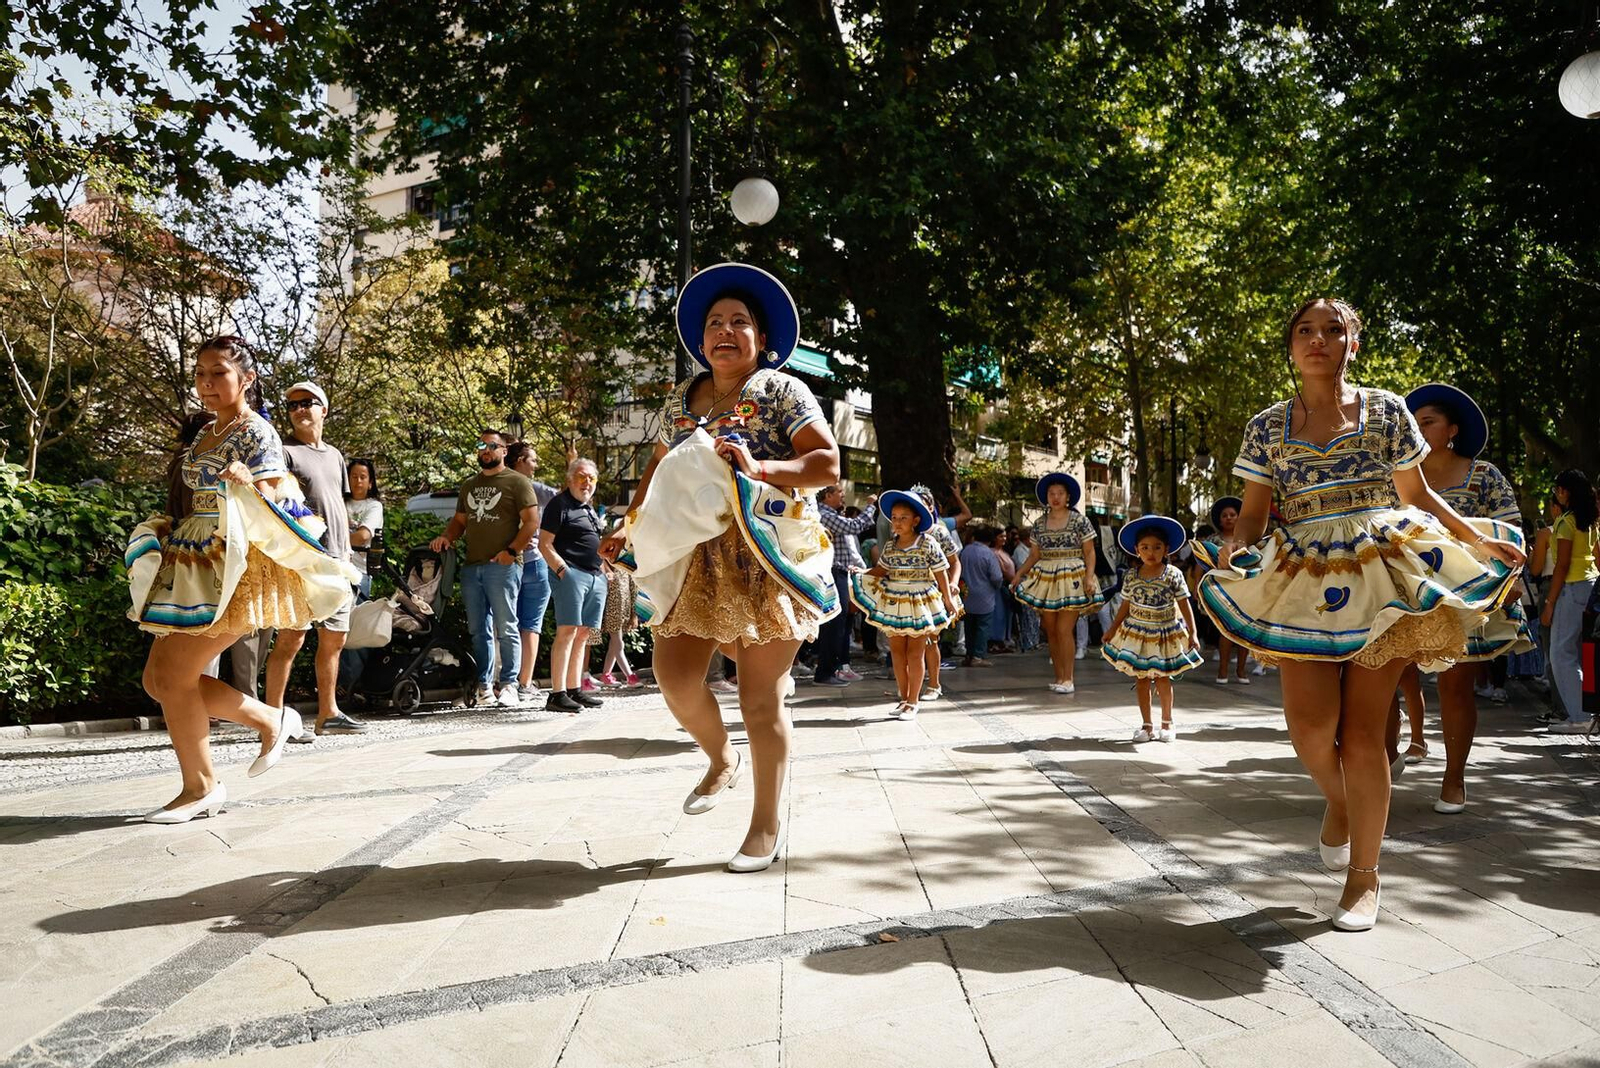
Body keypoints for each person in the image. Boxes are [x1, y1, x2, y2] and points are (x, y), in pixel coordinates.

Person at [1195, 298, 1523, 932]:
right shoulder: (1266, 426)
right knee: (1311, 729)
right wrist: (1240, 544)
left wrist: (1479, 540)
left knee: (1364, 734)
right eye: (1304, 330)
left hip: (1385, 569)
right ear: (1291, 346)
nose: (1318, 339)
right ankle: (1342, 804)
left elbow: (1418, 492)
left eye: (1333, 329)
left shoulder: (1386, 409)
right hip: (1303, 576)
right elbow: (1258, 508)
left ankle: (1363, 877)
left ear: (1353, 343)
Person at [601, 262, 841, 872]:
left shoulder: (784, 392)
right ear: (701, 337)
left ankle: (765, 826)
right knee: (676, 679)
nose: (725, 331)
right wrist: (628, 526)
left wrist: (760, 469)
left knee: (762, 700)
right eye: (714, 322)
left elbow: (827, 465)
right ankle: (719, 759)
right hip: (692, 561)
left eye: (739, 322)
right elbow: (657, 474)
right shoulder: (680, 400)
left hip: (766, 556)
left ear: (762, 338)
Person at [127, 337, 357, 823]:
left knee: (172, 677)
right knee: (158, 679)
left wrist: (250, 482)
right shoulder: (205, 433)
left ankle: (201, 787)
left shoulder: (259, 433)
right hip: (193, 562)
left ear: (246, 378)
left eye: (219, 373)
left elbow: (280, 495)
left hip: (235, 569)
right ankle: (269, 718)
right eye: (201, 374)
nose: (207, 383)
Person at [1405, 383, 1533, 809]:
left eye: (1429, 422)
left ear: (1452, 429)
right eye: (1415, 423)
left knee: (1454, 685)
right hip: (1401, 591)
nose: (1420, 430)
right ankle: (1381, 765)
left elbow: (1510, 530)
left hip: (1462, 596)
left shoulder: (1485, 475)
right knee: (1384, 680)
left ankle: (1454, 779)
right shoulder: (1398, 476)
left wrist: (1511, 576)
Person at [263, 382, 366, 736]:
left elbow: (336, 502)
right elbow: (277, 504)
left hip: (339, 560)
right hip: (305, 561)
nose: (300, 409)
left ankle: (328, 713)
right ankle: (271, 720)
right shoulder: (284, 452)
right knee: (291, 639)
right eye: (292, 405)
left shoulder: (336, 455)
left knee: (334, 639)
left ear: (324, 408)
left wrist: (348, 551)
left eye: (308, 403)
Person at [428, 429, 540, 707]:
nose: (486, 450)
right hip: (472, 567)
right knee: (479, 630)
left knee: (507, 627)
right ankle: (484, 687)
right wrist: (447, 536)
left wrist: (511, 551)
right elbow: (459, 521)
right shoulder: (469, 485)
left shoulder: (517, 482)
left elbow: (531, 522)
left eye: (492, 445)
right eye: (481, 445)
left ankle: (510, 685)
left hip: (503, 567)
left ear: (504, 451)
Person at [852, 492, 957, 719]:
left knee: (915, 653)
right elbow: (882, 571)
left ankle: (913, 701)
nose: (897, 522)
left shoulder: (928, 543)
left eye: (903, 518)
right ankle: (903, 698)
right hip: (895, 600)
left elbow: (941, 573)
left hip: (920, 601)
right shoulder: (890, 546)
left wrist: (948, 600)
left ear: (916, 520)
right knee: (897, 652)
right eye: (894, 517)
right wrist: (863, 572)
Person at [1101, 515, 1202, 742]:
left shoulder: (1173, 574)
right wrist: (1111, 629)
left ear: (1167, 549)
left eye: (1157, 547)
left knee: (1163, 678)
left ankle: (1167, 722)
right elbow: (1124, 607)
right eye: (1145, 547)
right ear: (1136, 550)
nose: (1151, 552)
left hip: (1165, 633)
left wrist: (1193, 633)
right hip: (1137, 634)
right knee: (1142, 678)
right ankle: (1147, 725)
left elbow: (1185, 604)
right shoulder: (1131, 577)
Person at [1013, 472, 1101, 694]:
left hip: (1072, 575)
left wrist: (1089, 576)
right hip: (1047, 576)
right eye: (1052, 493)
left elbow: (1089, 552)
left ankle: (1069, 679)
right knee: (1050, 629)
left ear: (1068, 496)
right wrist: (1019, 574)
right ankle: (1059, 677)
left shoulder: (1080, 520)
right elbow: (1034, 555)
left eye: (1060, 493)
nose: (1056, 497)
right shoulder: (1040, 523)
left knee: (1064, 629)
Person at [539, 458, 609, 713]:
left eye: (591, 478)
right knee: (567, 631)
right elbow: (544, 543)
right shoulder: (559, 505)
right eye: (581, 476)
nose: (586, 482)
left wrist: (603, 572)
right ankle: (557, 694)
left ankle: (574, 689)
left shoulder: (588, 508)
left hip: (595, 575)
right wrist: (562, 571)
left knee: (583, 635)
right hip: (571, 574)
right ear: (570, 479)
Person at [505, 441, 564, 702]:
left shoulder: (500, 483)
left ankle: (506, 682)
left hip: (510, 561)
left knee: (508, 624)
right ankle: (524, 683)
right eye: (532, 460)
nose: (536, 465)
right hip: (533, 562)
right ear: (519, 460)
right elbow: (563, 498)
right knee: (530, 625)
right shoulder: (532, 488)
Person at [1544, 468, 1598, 734]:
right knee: (1581, 654)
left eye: (1557, 490)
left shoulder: (1565, 522)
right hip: (1589, 587)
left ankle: (1579, 716)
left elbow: (1562, 566)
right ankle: (1584, 713)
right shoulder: (1589, 521)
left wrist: (1550, 603)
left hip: (1571, 588)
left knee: (1561, 654)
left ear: (1564, 492)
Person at [814, 485, 877, 686]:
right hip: (833, 572)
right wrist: (871, 506)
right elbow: (855, 526)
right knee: (834, 623)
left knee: (839, 623)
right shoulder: (824, 514)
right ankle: (825, 672)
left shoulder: (828, 513)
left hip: (839, 572)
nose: (843, 496)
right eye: (840, 492)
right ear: (828, 495)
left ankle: (831, 670)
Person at [336, 457, 385, 697]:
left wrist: (337, 537)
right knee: (336, 630)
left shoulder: (373, 506)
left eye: (363, 477)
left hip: (360, 574)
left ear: (371, 481)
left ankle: (354, 684)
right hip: (335, 571)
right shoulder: (338, 501)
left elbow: (364, 536)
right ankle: (341, 684)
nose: (357, 481)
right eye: (353, 476)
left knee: (356, 631)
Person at [1201, 498, 1252, 685]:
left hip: (1246, 589)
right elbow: (1202, 566)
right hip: (1221, 590)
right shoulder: (1212, 541)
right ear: (1219, 519)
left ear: (1239, 517)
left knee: (1244, 631)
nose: (1229, 518)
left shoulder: (1248, 540)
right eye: (1225, 515)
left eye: (1232, 515)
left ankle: (1241, 671)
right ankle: (1222, 671)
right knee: (1226, 631)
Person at [958, 527, 1006, 668]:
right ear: (990, 539)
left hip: (966, 594)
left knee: (969, 626)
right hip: (985, 595)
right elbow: (996, 577)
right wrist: (998, 586)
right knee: (983, 627)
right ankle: (978, 656)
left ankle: (969, 654)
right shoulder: (988, 554)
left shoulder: (965, 551)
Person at [1011, 527, 1042, 651]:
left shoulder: (1029, 550)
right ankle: (1029, 641)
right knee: (1027, 615)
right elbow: (1024, 567)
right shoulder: (1020, 551)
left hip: (1032, 584)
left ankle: (1034, 640)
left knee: (1033, 615)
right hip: (1025, 583)